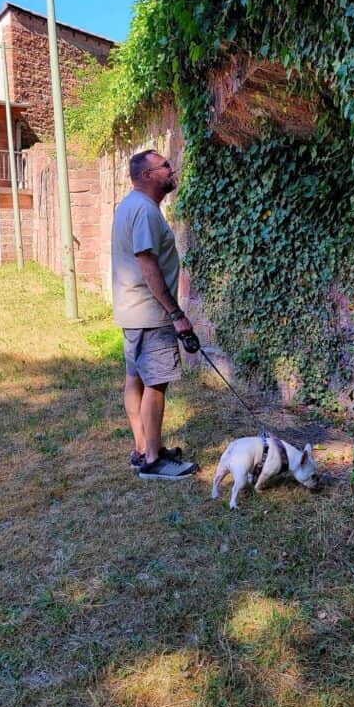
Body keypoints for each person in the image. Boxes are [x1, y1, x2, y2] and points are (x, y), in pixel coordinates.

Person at [111, 148, 199, 481]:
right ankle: (153, 460)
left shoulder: (128, 206)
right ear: (147, 175)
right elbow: (148, 266)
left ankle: (143, 447)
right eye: (164, 166)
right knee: (156, 384)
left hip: (131, 313)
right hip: (151, 314)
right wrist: (175, 313)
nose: (171, 168)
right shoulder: (145, 211)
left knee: (135, 378)